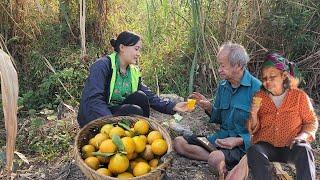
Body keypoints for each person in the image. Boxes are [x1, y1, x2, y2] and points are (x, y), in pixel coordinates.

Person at [173, 42, 261, 178]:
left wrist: (238, 140)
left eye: (223, 65)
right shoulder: (223, 86)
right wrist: (208, 107)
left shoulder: (257, 90)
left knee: (214, 160)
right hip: (221, 139)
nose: (219, 69)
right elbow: (219, 118)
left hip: (243, 147)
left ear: (238, 65)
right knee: (179, 143)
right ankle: (221, 158)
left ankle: (226, 160)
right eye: (219, 65)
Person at [77, 31, 191, 127]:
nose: (139, 54)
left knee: (140, 97)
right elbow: (94, 100)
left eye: (139, 50)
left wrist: (173, 106)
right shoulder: (102, 66)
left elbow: (149, 96)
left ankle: (141, 133)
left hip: (114, 113)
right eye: (136, 49)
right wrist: (110, 124)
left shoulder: (133, 71)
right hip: (95, 116)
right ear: (122, 47)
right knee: (134, 111)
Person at [246, 53, 318, 180]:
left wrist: (302, 136)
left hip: (291, 146)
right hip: (266, 146)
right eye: (264, 78)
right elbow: (252, 129)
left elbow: (311, 122)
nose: (267, 82)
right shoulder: (259, 96)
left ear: (284, 76)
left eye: (272, 77)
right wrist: (253, 114)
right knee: (254, 151)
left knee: (304, 149)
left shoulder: (299, 96)